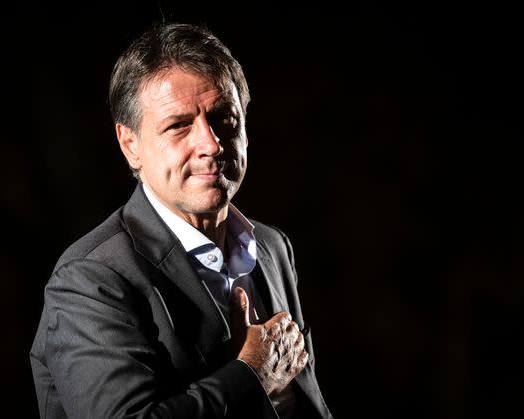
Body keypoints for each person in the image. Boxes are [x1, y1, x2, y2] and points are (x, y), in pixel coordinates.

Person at [30, 22, 333, 419]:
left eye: (224, 116)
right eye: (178, 125)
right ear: (130, 145)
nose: (210, 143)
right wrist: (254, 371)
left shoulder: (274, 248)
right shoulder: (90, 278)